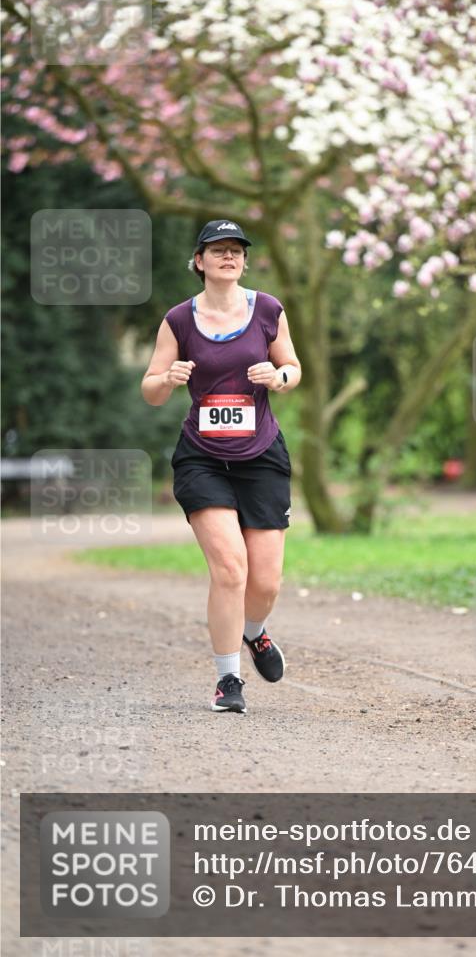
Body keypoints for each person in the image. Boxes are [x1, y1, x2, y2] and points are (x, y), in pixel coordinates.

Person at [141, 219, 301, 715]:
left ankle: (255, 632)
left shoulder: (268, 310)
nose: (228, 257)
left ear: (244, 261)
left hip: (262, 456)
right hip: (202, 457)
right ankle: (228, 680)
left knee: (266, 580)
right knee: (230, 568)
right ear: (199, 261)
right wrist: (167, 377)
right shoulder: (180, 320)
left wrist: (278, 376)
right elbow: (149, 389)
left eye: (236, 250)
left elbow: (293, 368)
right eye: (218, 250)